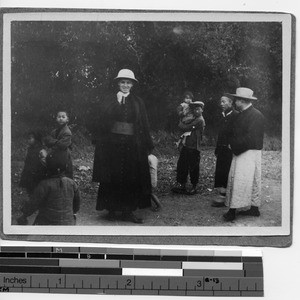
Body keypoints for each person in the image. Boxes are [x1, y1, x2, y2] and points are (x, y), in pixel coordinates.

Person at [92, 69, 154, 224]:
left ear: (132, 84)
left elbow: (143, 123)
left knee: (130, 177)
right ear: (118, 83)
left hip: (132, 145)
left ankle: (128, 211)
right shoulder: (109, 100)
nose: (125, 85)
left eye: (128, 82)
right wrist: (117, 103)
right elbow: (102, 121)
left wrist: (147, 144)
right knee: (112, 175)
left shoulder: (138, 101)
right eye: (122, 82)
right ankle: (112, 210)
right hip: (112, 145)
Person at [223, 87, 265, 222]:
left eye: (236, 100)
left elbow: (251, 138)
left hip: (249, 152)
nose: (235, 102)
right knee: (241, 179)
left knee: (243, 180)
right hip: (242, 150)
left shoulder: (256, 115)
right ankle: (252, 208)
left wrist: (234, 146)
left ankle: (235, 210)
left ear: (242, 100)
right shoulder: (241, 114)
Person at [17, 151, 80, 225]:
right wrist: (72, 214)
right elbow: (76, 204)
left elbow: (33, 203)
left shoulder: (44, 185)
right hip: (68, 223)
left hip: (48, 223)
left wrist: (24, 214)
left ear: (48, 167)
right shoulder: (72, 183)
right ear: (65, 167)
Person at [172, 101, 205, 195]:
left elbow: (184, 127)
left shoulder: (200, 120)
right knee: (182, 165)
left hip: (194, 147)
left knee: (194, 167)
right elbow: (184, 126)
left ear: (202, 110)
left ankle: (194, 186)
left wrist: (181, 122)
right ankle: (182, 185)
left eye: (198, 109)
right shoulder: (192, 118)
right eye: (194, 109)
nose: (196, 111)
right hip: (187, 145)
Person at [212, 95, 239, 207]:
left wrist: (232, 145)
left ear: (230, 102)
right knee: (221, 171)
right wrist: (218, 148)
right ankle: (222, 194)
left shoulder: (236, 116)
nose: (221, 104)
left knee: (229, 170)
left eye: (224, 102)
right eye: (221, 101)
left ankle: (228, 196)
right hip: (222, 148)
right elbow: (220, 133)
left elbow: (237, 133)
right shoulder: (222, 115)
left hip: (230, 149)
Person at [43, 110, 73, 179]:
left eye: (63, 117)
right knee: (52, 174)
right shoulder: (54, 131)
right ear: (56, 119)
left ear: (67, 119)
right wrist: (57, 142)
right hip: (53, 155)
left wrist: (53, 142)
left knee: (63, 175)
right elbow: (47, 142)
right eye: (59, 117)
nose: (61, 118)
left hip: (63, 156)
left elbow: (62, 145)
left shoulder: (67, 132)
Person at [19, 131, 47, 196]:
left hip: (38, 175)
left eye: (30, 138)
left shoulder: (41, 150)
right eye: (28, 138)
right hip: (29, 174)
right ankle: (31, 201)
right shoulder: (30, 149)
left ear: (36, 139)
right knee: (30, 190)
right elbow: (27, 162)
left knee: (37, 191)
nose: (28, 140)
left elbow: (45, 163)